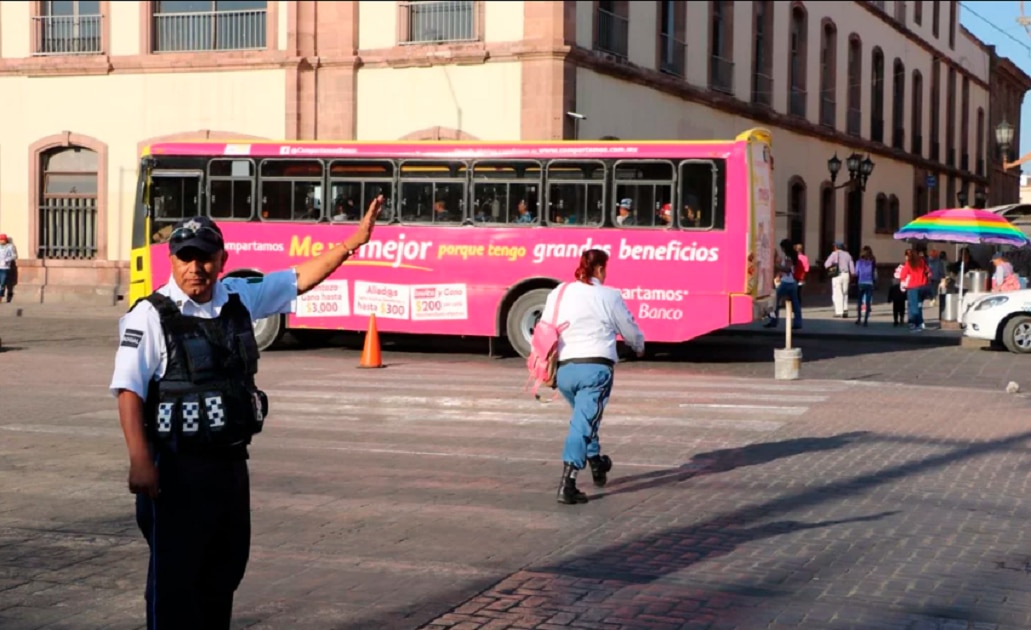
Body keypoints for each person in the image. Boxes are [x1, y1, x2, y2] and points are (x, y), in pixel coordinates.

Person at [109, 196, 384, 629]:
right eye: (186, 257)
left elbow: (298, 279)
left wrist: (354, 241)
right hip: (175, 469)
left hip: (230, 466)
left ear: (223, 260)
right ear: (172, 259)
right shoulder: (149, 316)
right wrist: (140, 460)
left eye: (205, 258)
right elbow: (129, 390)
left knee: (225, 570)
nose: (195, 268)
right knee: (175, 582)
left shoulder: (237, 297)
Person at [542, 248, 645, 505]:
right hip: (596, 370)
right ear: (600, 268)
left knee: (584, 418)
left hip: (564, 371)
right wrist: (639, 347)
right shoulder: (609, 296)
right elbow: (630, 331)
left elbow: (545, 327)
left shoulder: (559, 292)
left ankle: (597, 462)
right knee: (582, 425)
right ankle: (568, 483)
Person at [763, 239, 803, 330]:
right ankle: (798, 323)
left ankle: (773, 321)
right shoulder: (794, 255)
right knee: (795, 303)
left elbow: (787, 269)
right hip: (793, 282)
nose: (781, 249)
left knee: (774, 302)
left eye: (782, 247)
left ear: (785, 247)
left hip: (786, 282)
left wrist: (776, 266)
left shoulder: (788, 257)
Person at [899, 248, 931, 332]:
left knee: (913, 306)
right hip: (923, 286)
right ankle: (920, 322)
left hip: (913, 287)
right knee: (919, 305)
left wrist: (903, 281)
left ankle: (914, 324)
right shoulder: (921, 261)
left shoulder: (908, 263)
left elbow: (902, 275)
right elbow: (929, 272)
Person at [824, 241, 855, 318]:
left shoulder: (834, 254)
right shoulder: (848, 255)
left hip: (837, 275)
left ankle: (839, 311)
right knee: (845, 293)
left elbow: (826, 264)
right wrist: (852, 275)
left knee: (837, 293)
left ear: (836, 247)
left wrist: (832, 266)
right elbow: (852, 268)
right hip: (846, 274)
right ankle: (845, 309)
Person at [854, 246, 877, 327]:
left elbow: (856, 273)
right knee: (868, 302)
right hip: (870, 283)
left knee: (859, 301)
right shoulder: (872, 261)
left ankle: (859, 319)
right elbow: (875, 273)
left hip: (861, 282)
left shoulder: (859, 262)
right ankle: (866, 321)